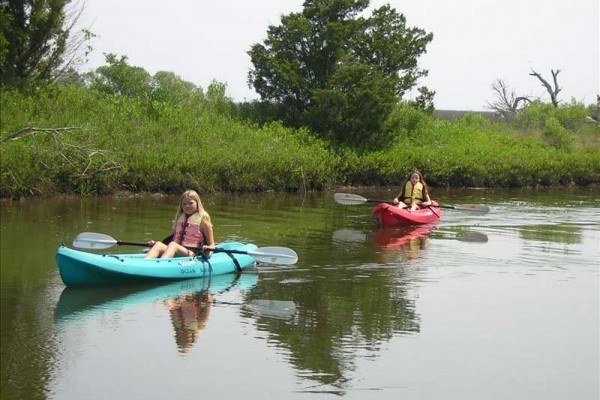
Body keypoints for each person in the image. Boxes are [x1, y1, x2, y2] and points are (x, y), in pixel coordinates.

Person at [145, 190, 215, 259]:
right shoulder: (179, 219)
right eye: (184, 204)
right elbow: (171, 240)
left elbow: (212, 245)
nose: (187, 206)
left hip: (191, 253)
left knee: (173, 245)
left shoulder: (204, 221)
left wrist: (208, 248)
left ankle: (162, 264)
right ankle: (145, 263)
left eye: (190, 203)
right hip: (175, 249)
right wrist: (155, 243)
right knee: (158, 245)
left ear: (197, 203)